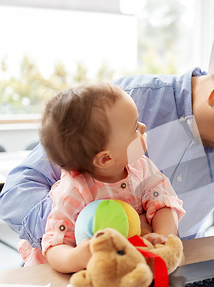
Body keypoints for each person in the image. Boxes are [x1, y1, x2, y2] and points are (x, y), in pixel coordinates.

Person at [0, 56, 214, 252]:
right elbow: (17, 191)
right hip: (83, 266)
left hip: (169, 271)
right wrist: (96, 227)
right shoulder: (125, 103)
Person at [18, 83, 185, 273]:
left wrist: (163, 235)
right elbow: (53, 247)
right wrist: (78, 256)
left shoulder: (142, 167)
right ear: (105, 158)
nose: (144, 127)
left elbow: (164, 203)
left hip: (127, 266)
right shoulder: (74, 191)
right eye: (134, 128)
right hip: (76, 280)